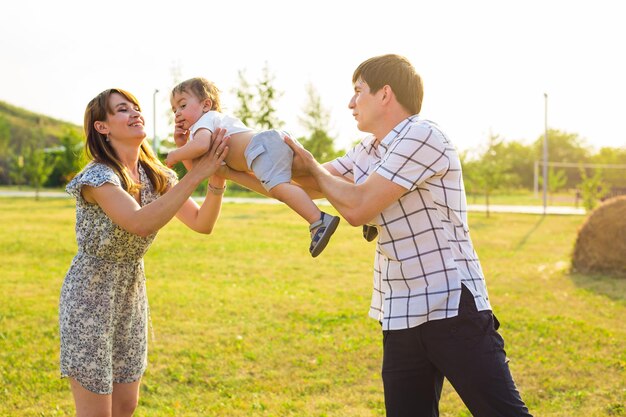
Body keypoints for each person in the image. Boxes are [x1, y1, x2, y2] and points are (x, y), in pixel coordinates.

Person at [283, 54, 533, 416]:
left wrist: (311, 165)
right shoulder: (369, 151)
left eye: (358, 91)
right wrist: (227, 166)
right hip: (400, 309)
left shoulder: (423, 135)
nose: (351, 103)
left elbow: (356, 207)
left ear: (385, 94)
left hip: (450, 305)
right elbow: (303, 181)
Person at [59, 88, 229, 417]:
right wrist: (196, 172)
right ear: (102, 127)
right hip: (89, 296)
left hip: (131, 290)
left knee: (126, 406)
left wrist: (215, 179)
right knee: (96, 413)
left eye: (136, 107)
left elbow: (202, 222)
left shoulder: (155, 174)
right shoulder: (98, 177)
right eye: (122, 110)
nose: (135, 113)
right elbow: (139, 223)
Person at [165, 77, 339, 257]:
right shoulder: (208, 126)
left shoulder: (205, 121)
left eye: (183, 105)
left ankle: (318, 220)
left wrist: (175, 154)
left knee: (280, 190)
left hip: (261, 148)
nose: (177, 113)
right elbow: (199, 171)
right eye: (174, 109)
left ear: (206, 105)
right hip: (268, 145)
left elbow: (201, 146)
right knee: (311, 182)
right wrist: (183, 145)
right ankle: (354, 199)